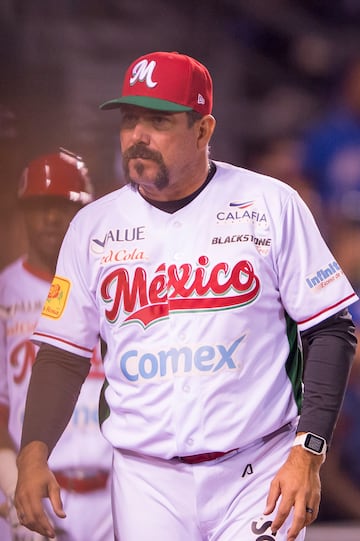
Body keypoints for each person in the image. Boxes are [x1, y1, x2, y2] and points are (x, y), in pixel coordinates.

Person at [14, 51, 358, 541]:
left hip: (258, 468)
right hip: (146, 480)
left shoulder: (270, 204)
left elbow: (331, 329)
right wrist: (33, 453)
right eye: (130, 120)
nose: (138, 135)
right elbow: (63, 354)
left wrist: (309, 450)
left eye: (158, 120)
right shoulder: (92, 227)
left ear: (203, 130)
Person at [0, 150, 114, 540]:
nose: (52, 218)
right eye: (41, 205)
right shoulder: (4, 293)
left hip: (117, 493)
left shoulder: (113, 287)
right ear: (23, 212)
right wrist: (12, 491)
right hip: (31, 488)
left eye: (65, 206)